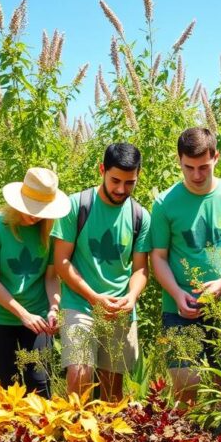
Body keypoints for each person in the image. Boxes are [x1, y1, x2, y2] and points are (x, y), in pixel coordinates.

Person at [150, 127, 221, 405]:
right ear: (179, 161)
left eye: (204, 167)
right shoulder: (164, 203)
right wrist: (176, 294)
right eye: (189, 167)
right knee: (186, 387)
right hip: (180, 308)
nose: (196, 175)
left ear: (216, 157)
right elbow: (158, 257)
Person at [52, 143, 150, 403]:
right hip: (80, 303)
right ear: (102, 170)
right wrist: (94, 297)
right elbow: (61, 262)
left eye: (130, 182)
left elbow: (140, 268)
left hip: (119, 309)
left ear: (139, 175)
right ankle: (74, 438)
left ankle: (106, 441)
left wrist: (132, 297)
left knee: (112, 393)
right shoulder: (77, 206)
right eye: (115, 180)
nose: (121, 189)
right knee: (79, 375)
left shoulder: (140, 216)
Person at [0, 167, 70, 398]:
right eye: (31, 209)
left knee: (40, 384)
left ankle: (43, 433)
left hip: (39, 316)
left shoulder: (51, 229)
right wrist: (23, 315)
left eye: (41, 211)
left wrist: (54, 308)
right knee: (8, 387)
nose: (35, 216)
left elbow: (51, 277)